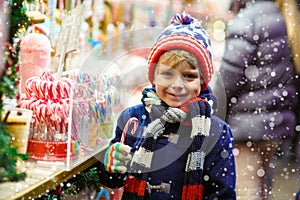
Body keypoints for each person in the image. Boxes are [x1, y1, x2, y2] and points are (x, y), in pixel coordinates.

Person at [98, 13, 236, 200]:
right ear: (153, 76)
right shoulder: (132, 119)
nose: (177, 85)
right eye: (168, 74)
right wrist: (111, 168)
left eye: (189, 76)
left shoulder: (216, 132)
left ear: (202, 81)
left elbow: (222, 194)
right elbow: (114, 181)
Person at [215, 0, 300, 199]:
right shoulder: (285, 16)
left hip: (246, 126)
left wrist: (215, 116)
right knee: (262, 187)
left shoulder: (249, 18)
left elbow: (228, 78)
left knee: (245, 191)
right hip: (274, 125)